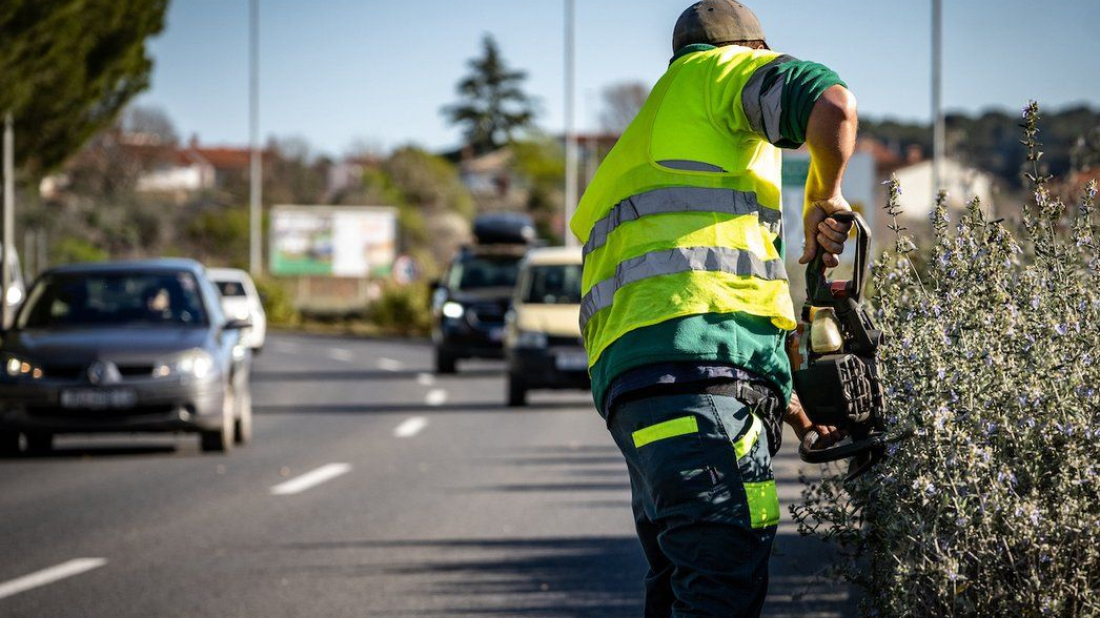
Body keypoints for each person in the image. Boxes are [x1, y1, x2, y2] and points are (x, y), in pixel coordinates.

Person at [569, 1, 857, 615]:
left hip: (647, 402)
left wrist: (799, 416)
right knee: (721, 583)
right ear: (752, 50)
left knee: (687, 579)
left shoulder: (635, 149)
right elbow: (832, 105)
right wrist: (825, 194)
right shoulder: (721, 76)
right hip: (701, 392)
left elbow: (702, 303)